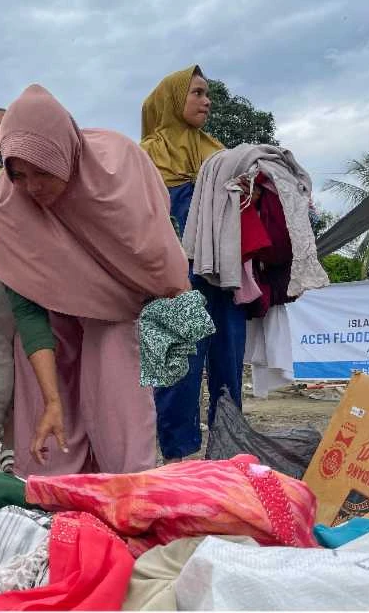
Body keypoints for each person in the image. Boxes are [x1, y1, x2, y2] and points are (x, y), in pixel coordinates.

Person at [0, 84, 190, 476]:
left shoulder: (121, 169)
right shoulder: (8, 205)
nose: (32, 187)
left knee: (119, 392)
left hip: (130, 308)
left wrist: (170, 355)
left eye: (42, 171)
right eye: (19, 174)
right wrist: (52, 401)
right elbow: (27, 311)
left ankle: (129, 490)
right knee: (46, 409)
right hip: (52, 314)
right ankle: (54, 494)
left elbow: (166, 266)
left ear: (66, 152)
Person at [140, 65, 244, 463]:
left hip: (223, 269)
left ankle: (227, 453)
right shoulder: (148, 153)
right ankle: (176, 457)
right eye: (197, 93)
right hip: (170, 270)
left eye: (207, 94)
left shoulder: (219, 152)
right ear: (172, 98)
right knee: (174, 366)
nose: (206, 101)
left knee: (228, 359)